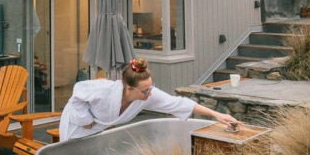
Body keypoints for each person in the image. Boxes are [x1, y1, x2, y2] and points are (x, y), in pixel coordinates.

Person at [58, 58, 240, 142]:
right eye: (145, 91)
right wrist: (85, 119)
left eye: (151, 88)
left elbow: (179, 103)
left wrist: (216, 115)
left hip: (98, 130)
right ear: (128, 88)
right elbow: (77, 94)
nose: (150, 94)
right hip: (76, 124)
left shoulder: (146, 96)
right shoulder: (104, 89)